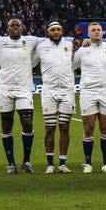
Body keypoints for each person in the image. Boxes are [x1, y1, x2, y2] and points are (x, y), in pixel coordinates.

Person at [0, 18, 39, 174]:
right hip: (5, 89)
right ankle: (11, 163)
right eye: (12, 26)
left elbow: (49, 41)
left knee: (27, 123)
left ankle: (26, 161)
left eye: (17, 26)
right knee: (6, 125)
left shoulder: (31, 40)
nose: (15, 28)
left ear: (22, 28)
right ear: (7, 28)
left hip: (24, 89)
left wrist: (76, 41)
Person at [73, 22, 106, 173]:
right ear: (88, 33)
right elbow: (70, 67)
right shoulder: (82, 51)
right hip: (88, 92)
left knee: (105, 129)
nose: (96, 32)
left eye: (98, 30)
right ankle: (88, 163)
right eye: (93, 30)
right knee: (89, 128)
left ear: (103, 32)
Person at [35, 22, 77, 173]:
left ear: (62, 31)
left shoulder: (70, 44)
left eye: (58, 29)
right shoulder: (41, 47)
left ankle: (62, 163)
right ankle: (50, 164)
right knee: (49, 128)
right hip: (49, 91)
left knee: (65, 127)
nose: (56, 32)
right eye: (53, 30)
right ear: (48, 32)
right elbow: (31, 62)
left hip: (67, 91)